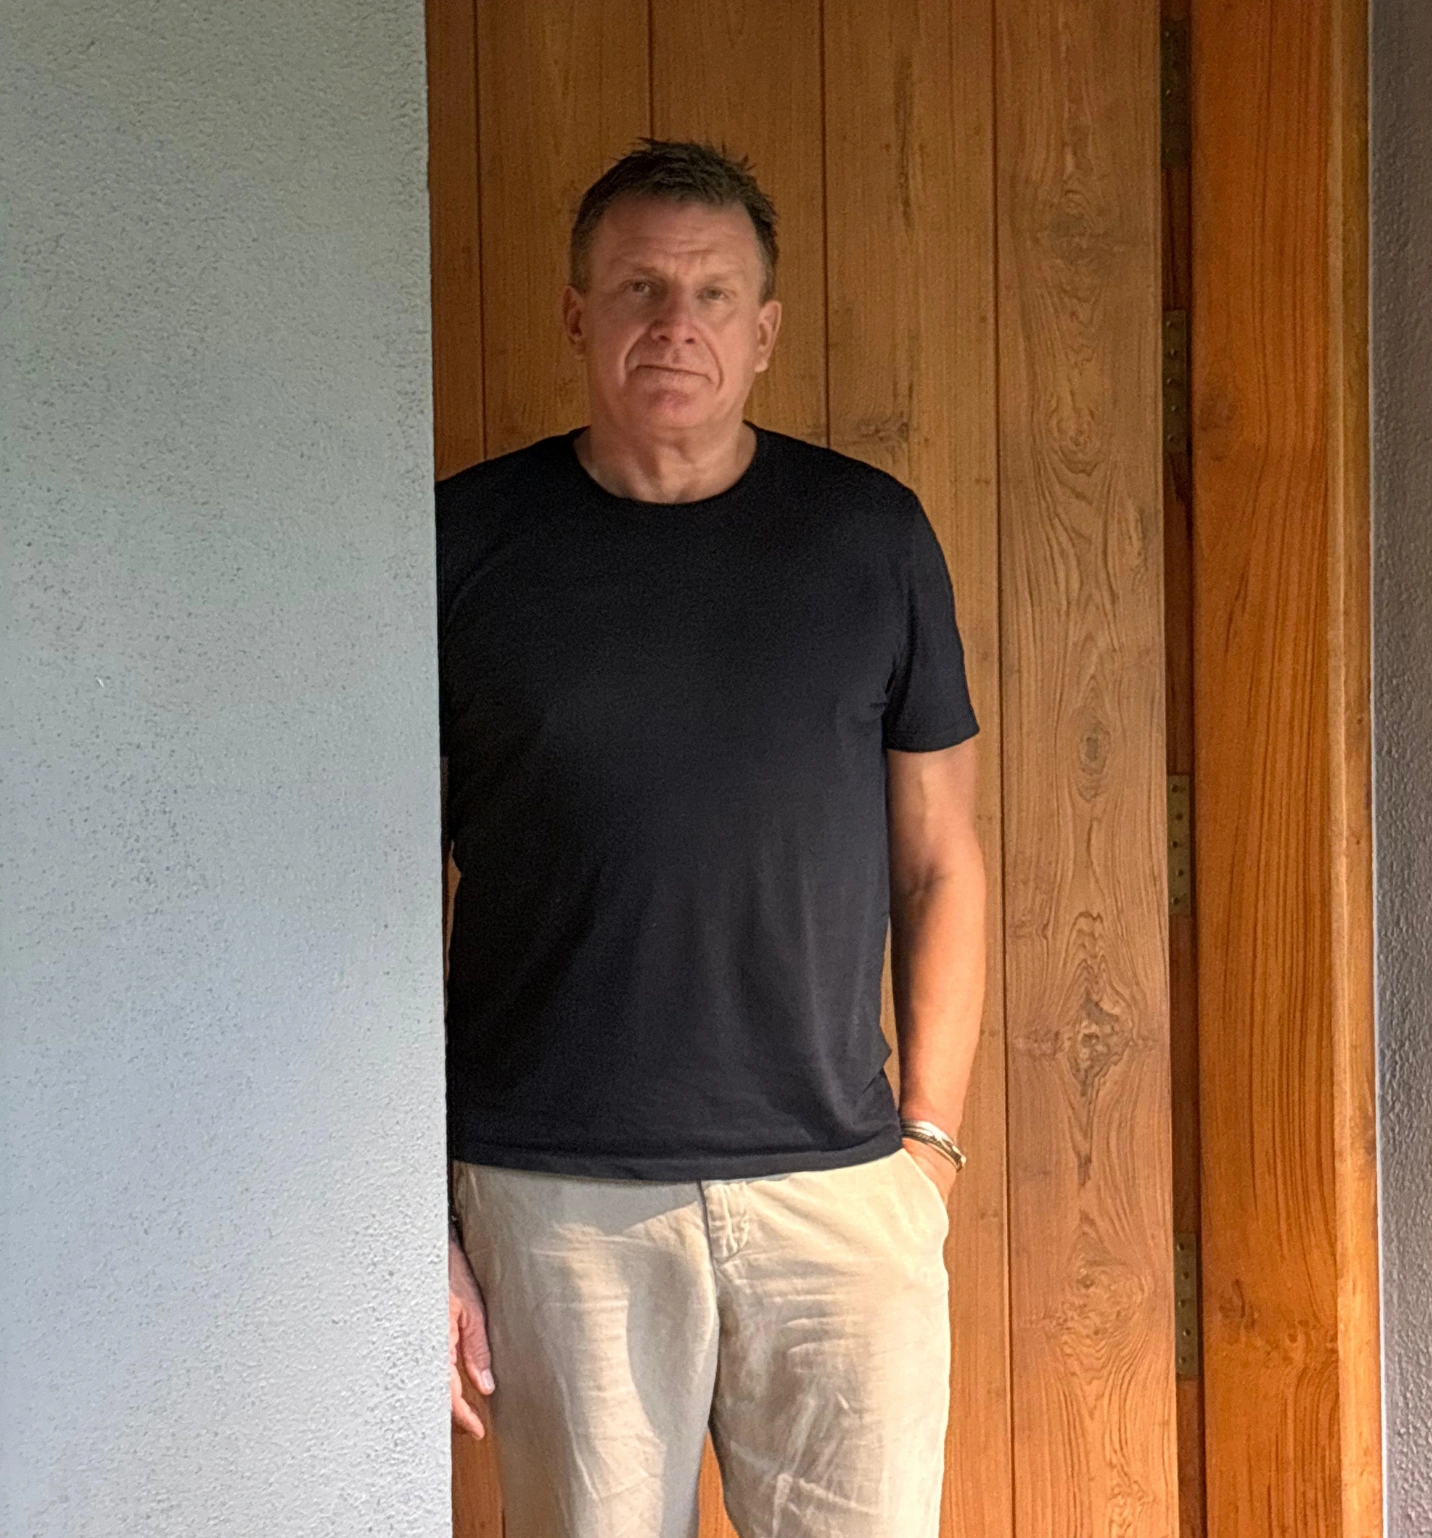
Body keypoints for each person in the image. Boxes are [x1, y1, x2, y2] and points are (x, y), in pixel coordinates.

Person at [436, 138, 986, 1538]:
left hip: (835, 1188)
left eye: (712, 292)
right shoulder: (459, 548)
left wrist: (927, 1150)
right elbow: (364, 904)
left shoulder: (871, 540)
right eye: (639, 287)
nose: (675, 323)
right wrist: (414, 1213)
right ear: (578, 315)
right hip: (554, 1199)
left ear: (765, 330)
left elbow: (941, 859)